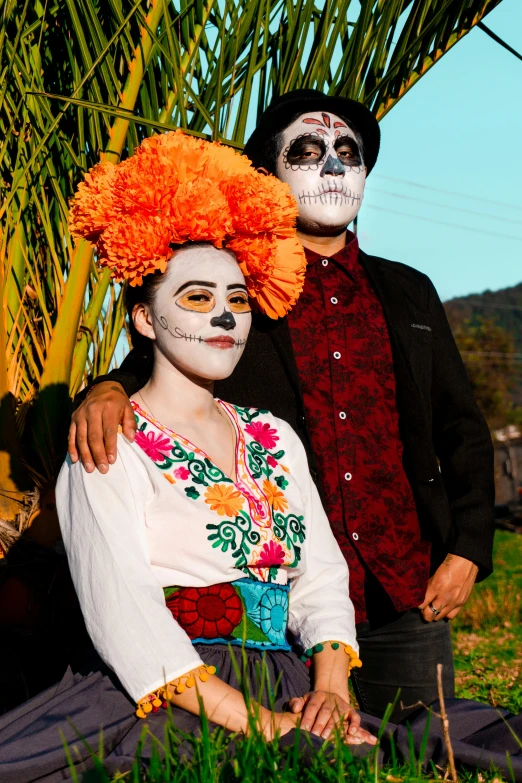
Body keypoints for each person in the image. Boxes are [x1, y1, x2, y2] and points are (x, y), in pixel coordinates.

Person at [1, 131, 519, 783]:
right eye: (196, 297)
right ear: (144, 319)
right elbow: (124, 611)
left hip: (288, 675)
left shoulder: (271, 435)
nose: (224, 318)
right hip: (168, 688)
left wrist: (329, 687)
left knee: (459, 736)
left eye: (237, 299)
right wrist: (267, 724)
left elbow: (321, 574)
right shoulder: (108, 440)